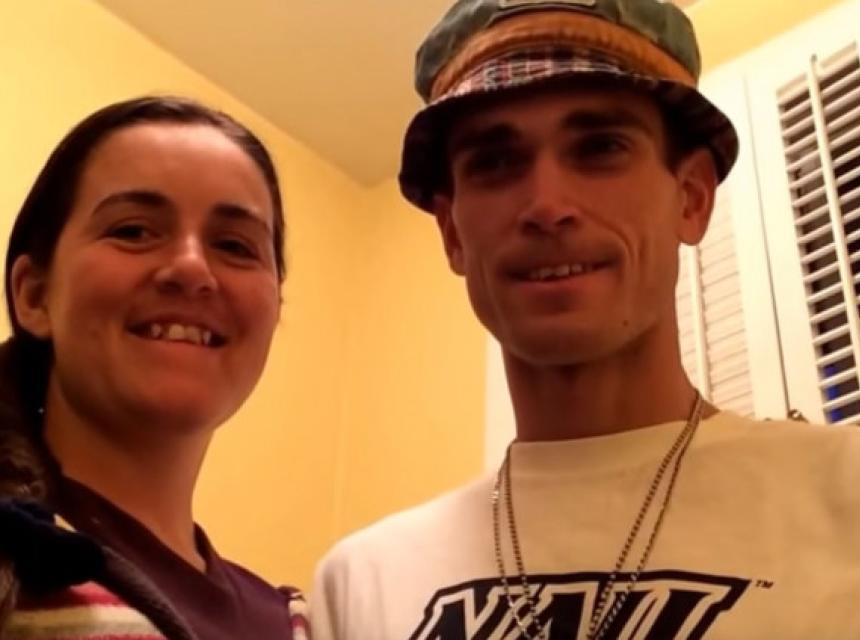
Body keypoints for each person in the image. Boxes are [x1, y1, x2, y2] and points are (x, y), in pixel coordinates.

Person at [311, 1, 860, 638]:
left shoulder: (843, 493)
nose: (547, 205)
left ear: (691, 198)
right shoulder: (361, 582)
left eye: (600, 147)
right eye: (495, 162)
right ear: (452, 234)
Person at [0, 96, 307, 639]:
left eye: (234, 245)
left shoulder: (301, 622)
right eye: (134, 231)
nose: (192, 268)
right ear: (34, 295)